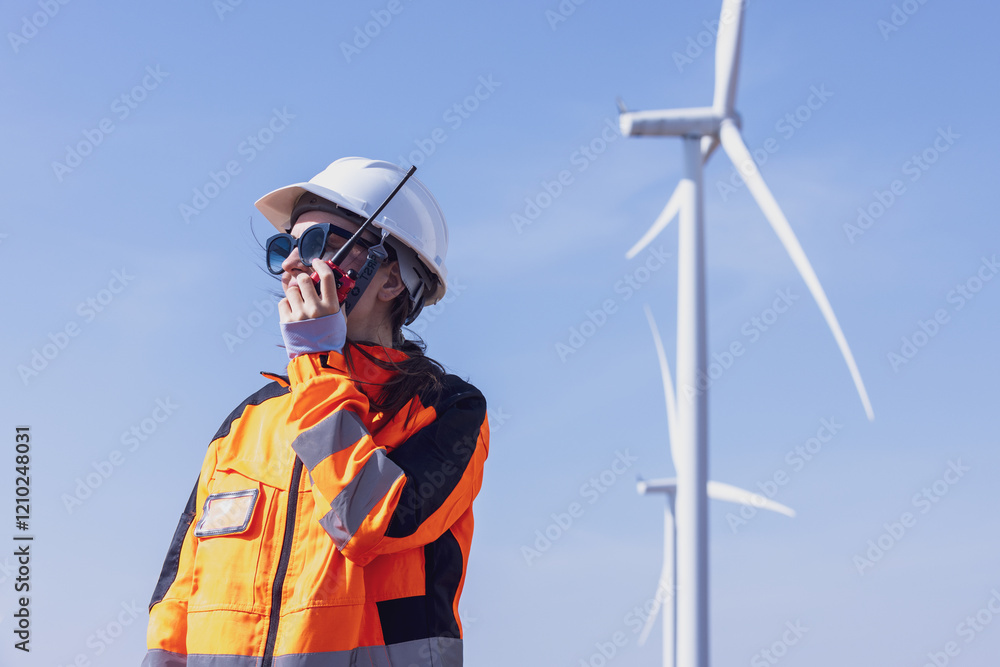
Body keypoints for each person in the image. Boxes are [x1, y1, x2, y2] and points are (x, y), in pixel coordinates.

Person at [142, 157, 489, 667]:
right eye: (285, 246)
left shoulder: (446, 408)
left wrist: (316, 361)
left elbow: (374, 521)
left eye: (319, 244)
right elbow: (179, 593)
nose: (290, 266)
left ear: (390, 280)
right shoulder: (246, 424)